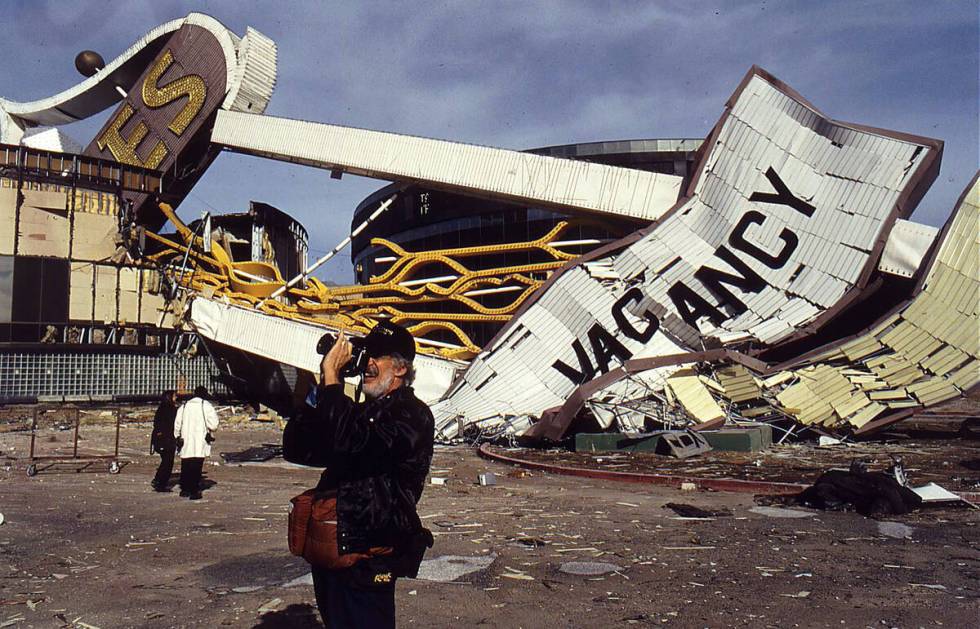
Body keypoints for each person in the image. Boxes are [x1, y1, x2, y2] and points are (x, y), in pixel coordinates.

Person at [283, 321, 434, 629]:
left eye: (376, 356)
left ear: (401, 368)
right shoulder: (362, 413)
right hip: (335, 550)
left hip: (369, 553)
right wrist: (317, 394)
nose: (367, 364)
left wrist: (333, 382)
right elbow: (299, 450)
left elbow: (356, 443)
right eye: (366, 355)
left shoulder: (412, 414)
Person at [174, 385, 219, 500]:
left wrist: (177, 436)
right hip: (200, 440)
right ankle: (194, 491)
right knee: (197, 465)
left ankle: (185, 489)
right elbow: (214, 425)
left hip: (185, 440)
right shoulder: (206, 406)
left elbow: (177, 424)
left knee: (186, 464)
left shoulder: (184, 407)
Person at [149, 390, 178, 492]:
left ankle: (159, 480)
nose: (176, 398)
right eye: (174, 396)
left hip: (164, 438)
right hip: (166, 439)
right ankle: (160, 483)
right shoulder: (169, 409)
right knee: (167, 462)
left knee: (166, 461)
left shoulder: (163, 408)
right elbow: (168, 425)